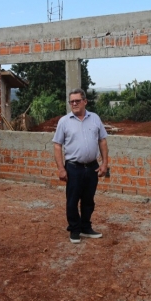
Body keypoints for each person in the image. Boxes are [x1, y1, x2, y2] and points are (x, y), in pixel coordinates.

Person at [52, 88, 109, 244]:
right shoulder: (64, 121)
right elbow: (57, 145)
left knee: (88, 200)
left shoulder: (95, 118)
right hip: (73, 167)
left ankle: (86, 227)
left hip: (92, 167)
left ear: (85, 101)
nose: (75, 104)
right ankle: (75, 229)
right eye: (72, 101)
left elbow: (102, 141)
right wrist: (61, 168)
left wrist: (104, 163)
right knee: (72, 200)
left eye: (78, 101)